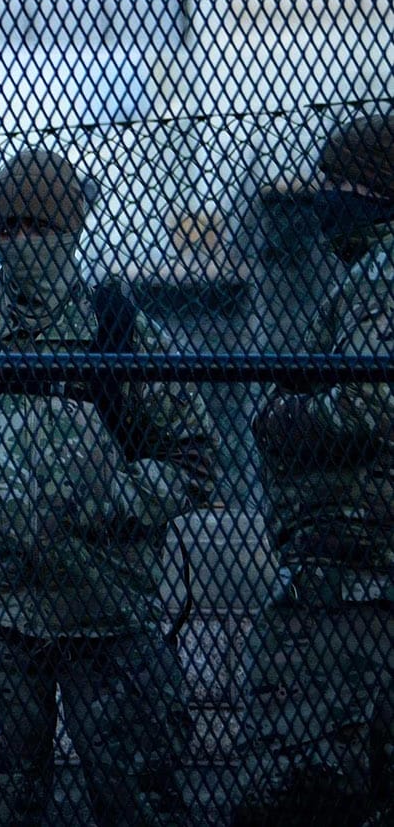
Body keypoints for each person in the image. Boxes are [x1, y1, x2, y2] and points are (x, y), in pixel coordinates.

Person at [0, 147, 216, 827]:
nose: (21, 244)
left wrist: (111, 496)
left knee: (141, 800)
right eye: (6, 231)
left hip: (109, 609)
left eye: (37, 228)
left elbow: (193, 458)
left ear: (71, 232)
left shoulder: (121, 333)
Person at [233, 113, 394, 827]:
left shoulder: (376, 280)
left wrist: (281, 418)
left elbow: (365, 406)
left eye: (338, 182)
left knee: (292, 754)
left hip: (358, 552)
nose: (326, 199)